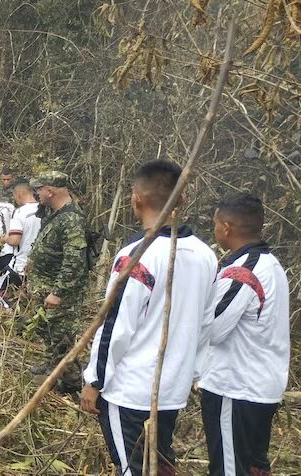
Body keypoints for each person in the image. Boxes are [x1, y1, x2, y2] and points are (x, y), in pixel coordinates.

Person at [79, 160, 217, 475]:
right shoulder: (206, 255)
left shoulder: (136, 256)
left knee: (131, 468)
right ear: (181, 200)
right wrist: (193, 372)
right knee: (158, 464)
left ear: (136, 199)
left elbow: (115, 324)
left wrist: (94, 379)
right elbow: (206, 325)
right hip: (172, 390)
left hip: (130, 391)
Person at [198, 193, 290, 476]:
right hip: (261, 386)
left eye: (215, 224)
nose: (214, 230)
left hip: (236, 388)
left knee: (229, 468)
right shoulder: (271, 264)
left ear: (226, 227)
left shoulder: (242, 272)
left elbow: (213, 330)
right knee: (252, 466)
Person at [25, 170, 89, 392]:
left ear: (50, 191)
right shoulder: (54, 214)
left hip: (60, 292)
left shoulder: (71, 219)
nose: (36, 194)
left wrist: (59, 292)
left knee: (63, 337)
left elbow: (75, 259)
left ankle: (72, 384)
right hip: (45, 286)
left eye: (39, 190)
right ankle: (51, 367)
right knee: (47, 330)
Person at [0, 181, 41, 298]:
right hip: (39, 266)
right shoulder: (44, 210)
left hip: (20, 265)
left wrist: (5, 239)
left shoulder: (20, 213)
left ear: (18, 194)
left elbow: (15, 240)